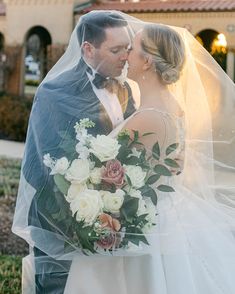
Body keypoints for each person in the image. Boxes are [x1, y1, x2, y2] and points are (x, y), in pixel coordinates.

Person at [64, 21, 235, 294]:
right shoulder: (172, 107)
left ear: (146, 62)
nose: (125, 56)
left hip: (145, 224)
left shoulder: (149, 118)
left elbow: (98, 167)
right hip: (168, 212)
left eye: (132, 49)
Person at [12, 11, 136, 294]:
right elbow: (40, 166)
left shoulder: (125, 89)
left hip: (112, 221)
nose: (125, 57)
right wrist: (83, 214)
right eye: (116, 50)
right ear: (88, 50)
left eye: (127, 49)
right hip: (60, 223)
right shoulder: (54, 92)